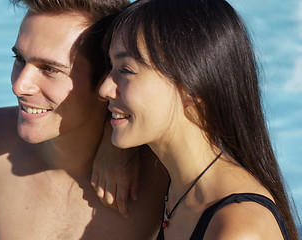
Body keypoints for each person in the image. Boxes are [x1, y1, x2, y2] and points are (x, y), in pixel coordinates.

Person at [0, 0, 168, 239]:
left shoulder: (162, 173)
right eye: (20, 59)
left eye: (49, 69)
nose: (19, 86)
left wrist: (118, 145)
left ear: (105, 80)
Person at [98, 0, 300, 239]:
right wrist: (111, 148)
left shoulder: (239, 229)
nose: (104, 89)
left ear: (192, 88)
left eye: (126, 70)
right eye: (111, 67)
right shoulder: (182, 192)